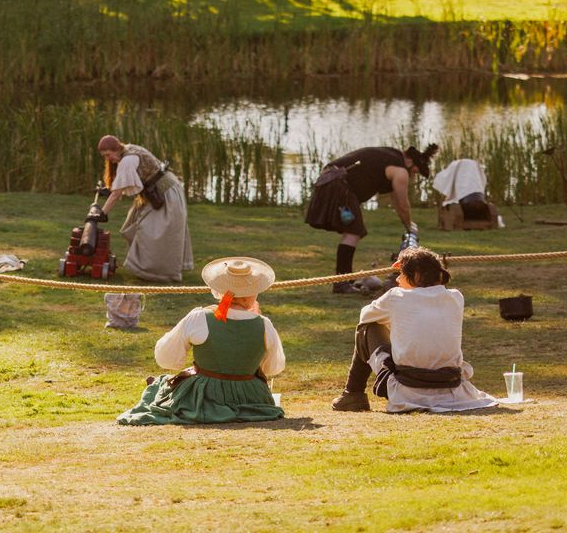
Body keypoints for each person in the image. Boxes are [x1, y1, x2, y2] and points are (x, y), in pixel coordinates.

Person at [331, 246, 501, 413]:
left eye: (401, 274)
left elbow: (365, 316)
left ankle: (353, 393)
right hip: (450, 385)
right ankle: (352, 395)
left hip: (408, 389)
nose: (398, 280)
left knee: (367, 328)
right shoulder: (456, 297)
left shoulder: (396, 297)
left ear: (417, 275)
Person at [118, 257, 285, 426]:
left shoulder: (199, 318)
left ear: (219, 288)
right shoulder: (264, 324)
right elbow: (273, 367)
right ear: (253, 292)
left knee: (163, 383)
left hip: (203, 396)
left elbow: (165, 357)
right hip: (251, 398)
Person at [305, 144, 437, 294]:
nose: (413, 175)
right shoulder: (400, 170)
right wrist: (409, 226)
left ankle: (344, 280)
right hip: (339, 184)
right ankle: (341, 283)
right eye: (415, 171)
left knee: (353, 231)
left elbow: (396, 201)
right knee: (353, 232)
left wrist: (407, 223)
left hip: (332, 180)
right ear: (410, 162)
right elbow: (402, 204)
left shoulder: (391, 157)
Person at [96, 136, 193, 283]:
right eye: (105, 157)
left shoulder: (128, 160)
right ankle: (149, 267)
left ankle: (157, 272)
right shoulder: (127, 150)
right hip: (156, 192)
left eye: (108, 155)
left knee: (152, 232)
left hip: (165, 192)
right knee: (133, 222)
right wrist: (109, 190)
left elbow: (117, 193)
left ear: (116, 149)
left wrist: (102, 213)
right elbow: (121, 186)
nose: (108, 159)